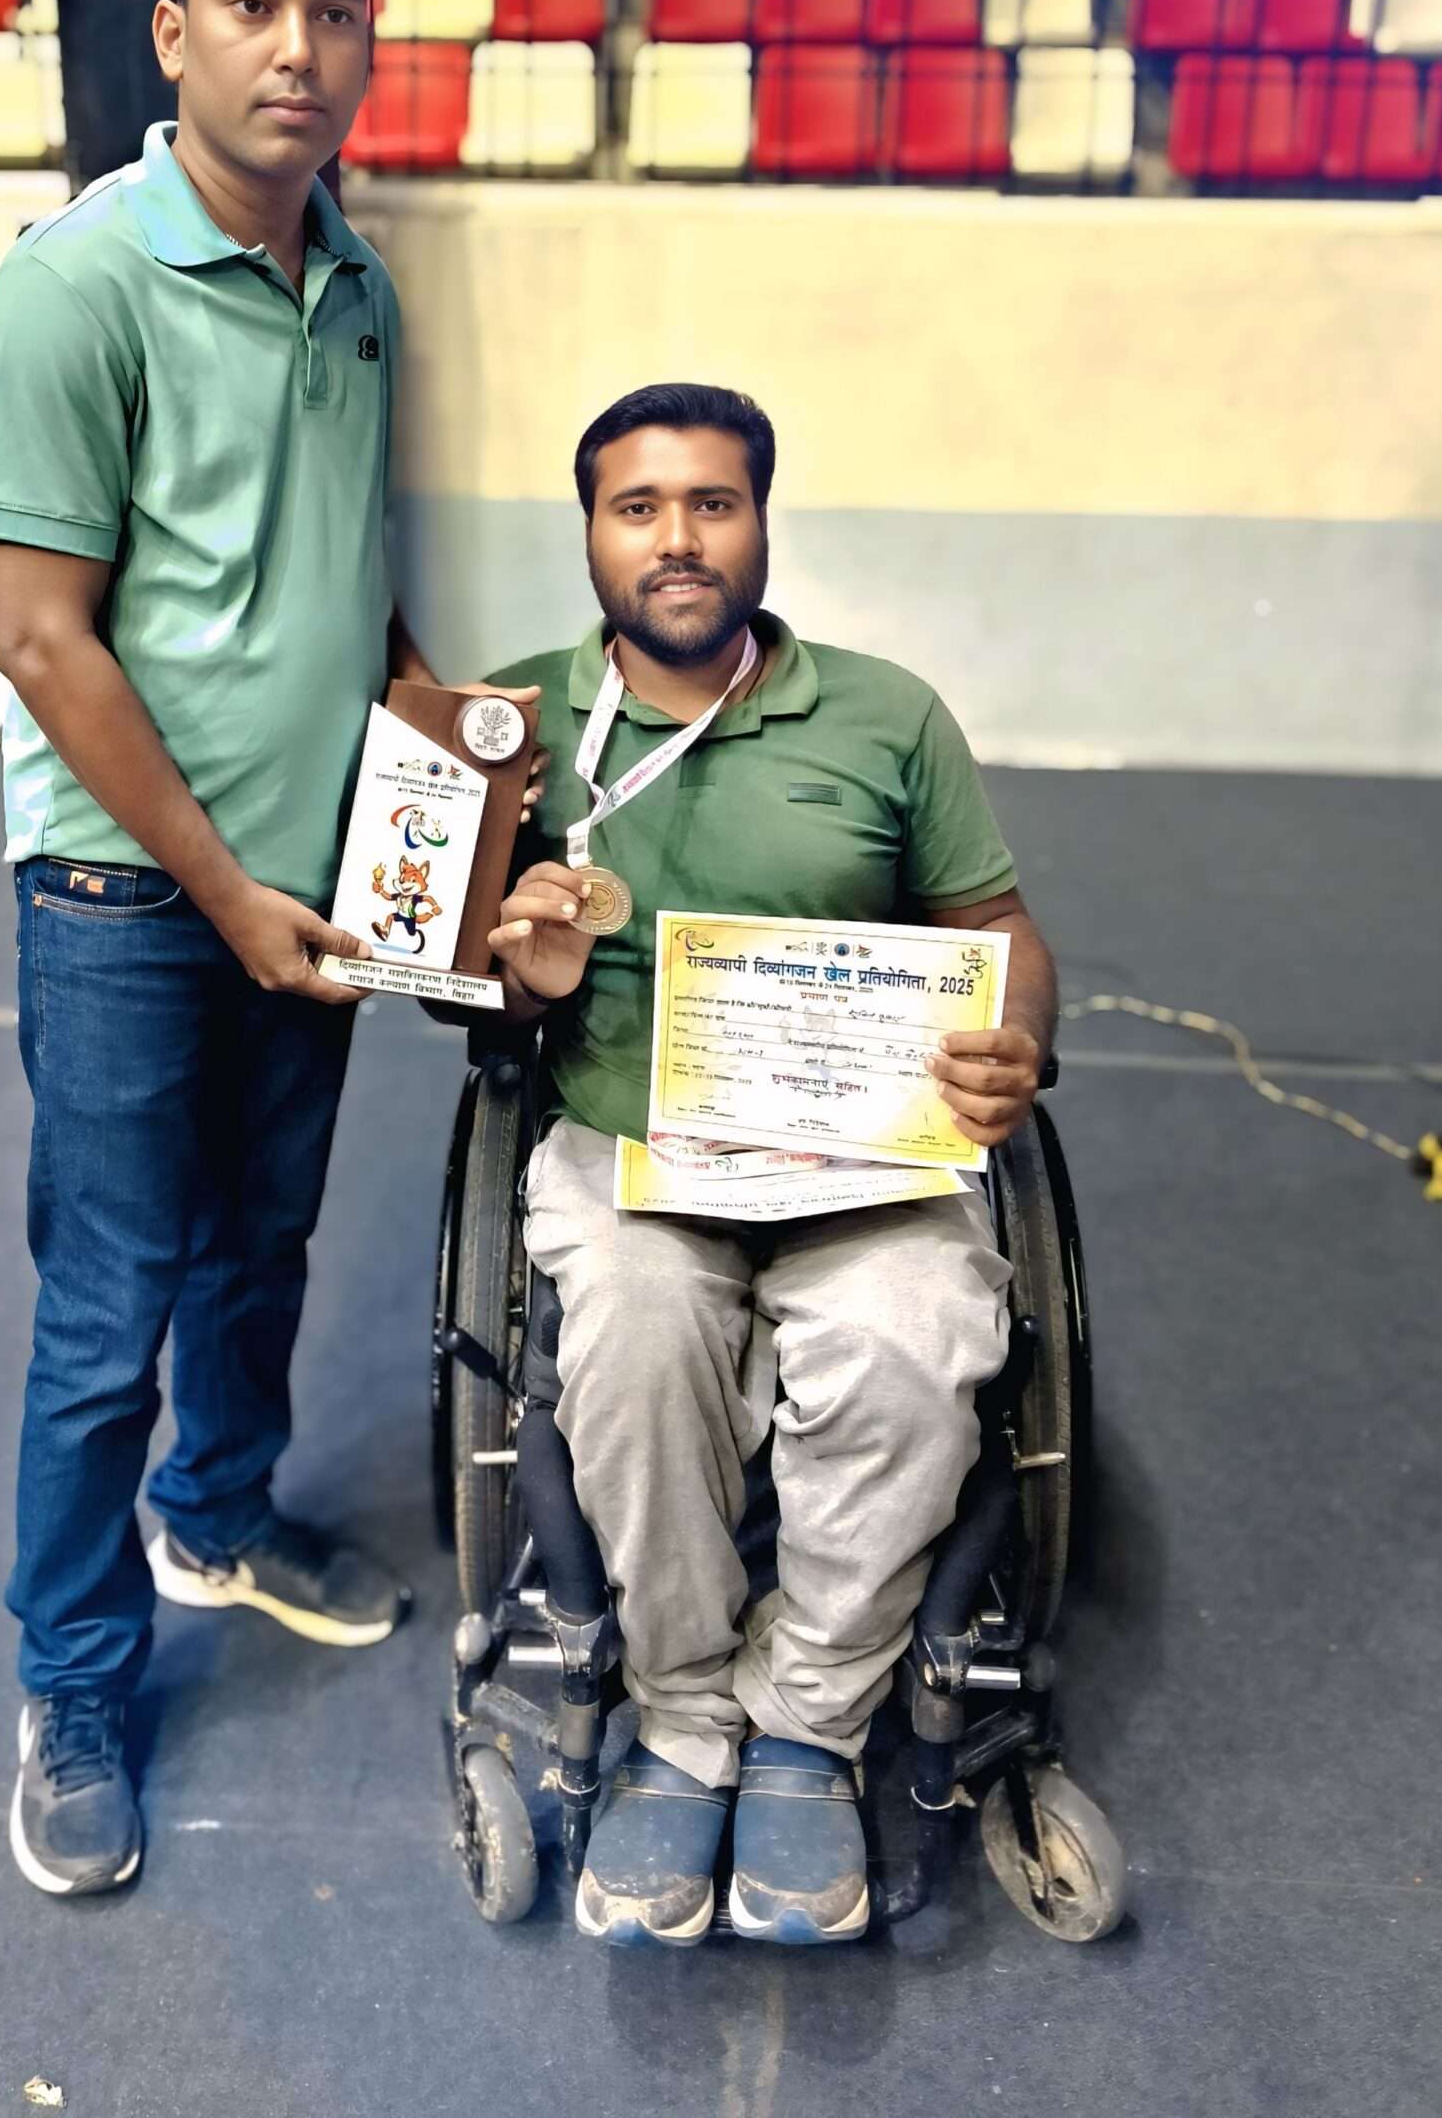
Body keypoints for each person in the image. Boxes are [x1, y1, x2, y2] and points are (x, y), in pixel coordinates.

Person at [0, 0, 532, 1899]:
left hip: (318, 884)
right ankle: (72, 1679)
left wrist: (450, 764)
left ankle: (214, 1513)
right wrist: (225, 894)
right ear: (173, 31)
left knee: (260, 1248)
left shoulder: (353, 280)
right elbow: (42, 640)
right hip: (131, 899)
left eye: (338, 13)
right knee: (109, 1304)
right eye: (256, 4)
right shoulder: (73, 286)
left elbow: (340, 581)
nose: (301, 47)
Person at [482, 381, 1057, 1949]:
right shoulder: (509, 729)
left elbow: (996, 930)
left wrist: (1014, 1041)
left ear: (759, 524)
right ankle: (684, 1714)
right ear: (590, 533)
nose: (677, 538)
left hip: (858, 1147)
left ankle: (807, 1718)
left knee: (914, 1334)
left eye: (712, 504)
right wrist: (520, 980)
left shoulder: (886, 716)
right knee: (633, 1332)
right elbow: (458, 990)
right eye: (639, 506)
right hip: (631, 1144)